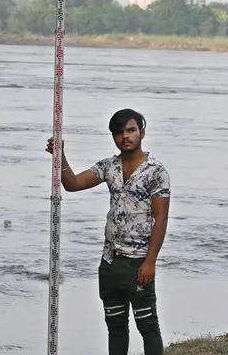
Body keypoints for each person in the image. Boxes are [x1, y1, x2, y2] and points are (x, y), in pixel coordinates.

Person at [45, 108, 171, 355]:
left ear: (142, 132)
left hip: (139, 263)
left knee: (148, 326)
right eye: (119, 132)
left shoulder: (156, 171)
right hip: (110, 261)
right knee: (115, 326)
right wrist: (60, 156)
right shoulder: (109, 166)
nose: (125, 136)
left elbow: (162, 218)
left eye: (131, 130)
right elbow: (72, 184)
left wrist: (150, 262)